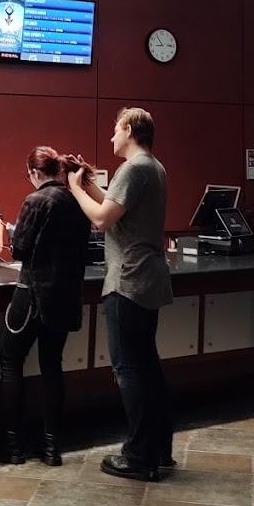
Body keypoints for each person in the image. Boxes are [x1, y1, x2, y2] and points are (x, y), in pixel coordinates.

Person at [66, 107, 173, 482]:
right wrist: (90, 183)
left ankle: (139, 456)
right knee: (148, 367)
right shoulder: (153, 167)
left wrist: (75, 189)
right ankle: (159, 450)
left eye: (115, 129)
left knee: (129, 370)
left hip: (128, 280)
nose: (111, 136)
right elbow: (116, 208)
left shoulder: (133, 168)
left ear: (128, 129)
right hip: (147, 279)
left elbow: (100, 219)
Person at [0, 147, 93, 467]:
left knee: (11, 362)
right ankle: (52, 448)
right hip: (64, 296)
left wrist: (13, 234)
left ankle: (14, 447)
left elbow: (19, 249)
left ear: (35, 173)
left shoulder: (35, 200)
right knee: (52, 366)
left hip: (31, 295)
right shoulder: (77, 201)